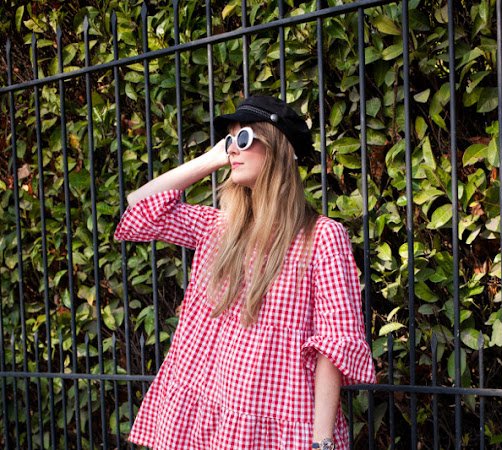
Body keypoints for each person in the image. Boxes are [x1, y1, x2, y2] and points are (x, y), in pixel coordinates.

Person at [114, 95, 376, 450]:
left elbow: (334, 345)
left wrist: (322, 441)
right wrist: (213, 158)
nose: (232, 150)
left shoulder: (322, 236)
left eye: (243, 139)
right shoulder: (219, 227)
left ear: (277, 148)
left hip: (278, 421)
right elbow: (140, 208)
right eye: (229, 139)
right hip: (208, 417)